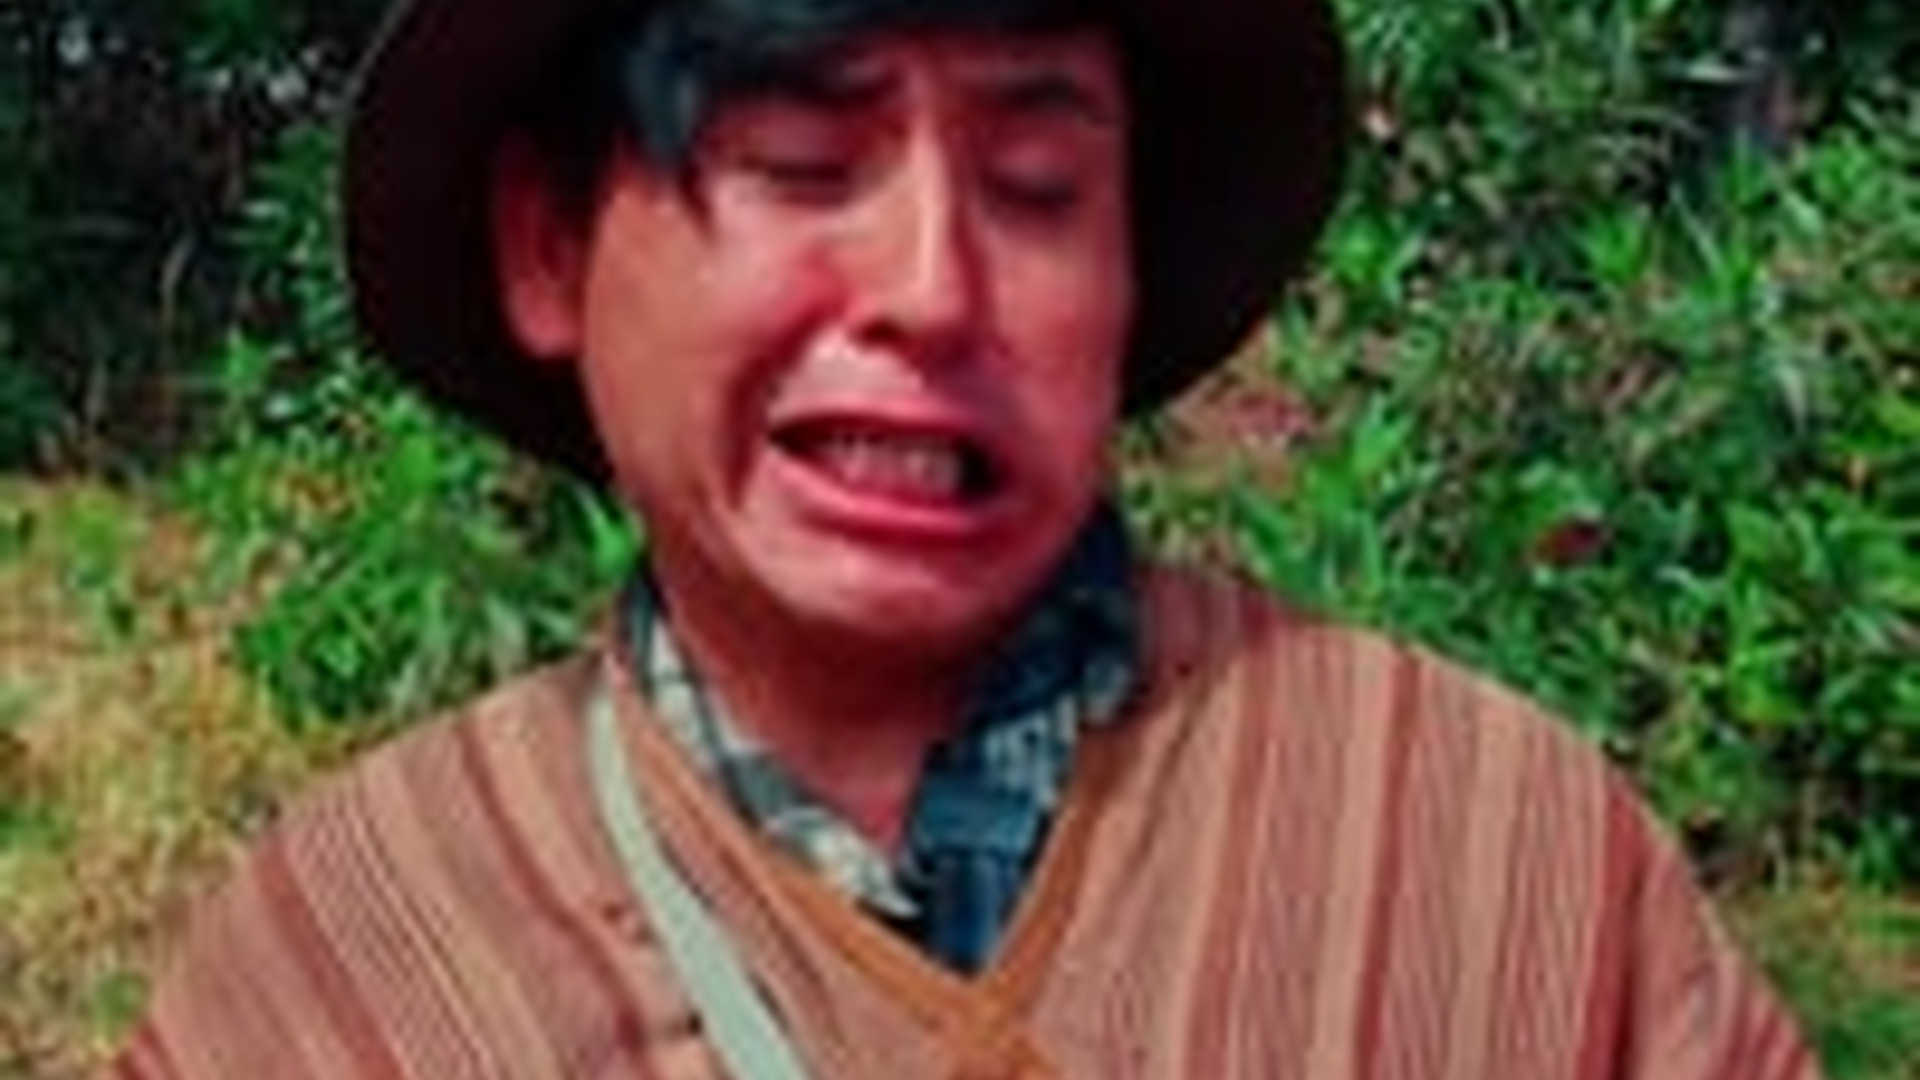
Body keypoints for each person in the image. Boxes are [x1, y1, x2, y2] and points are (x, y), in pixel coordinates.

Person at [103, 0, 1821, 1076]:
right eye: (800, 158)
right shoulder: (354, 955)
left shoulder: (1493, 855)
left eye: (1038, 189)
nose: (934, 290)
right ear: (547, 244)